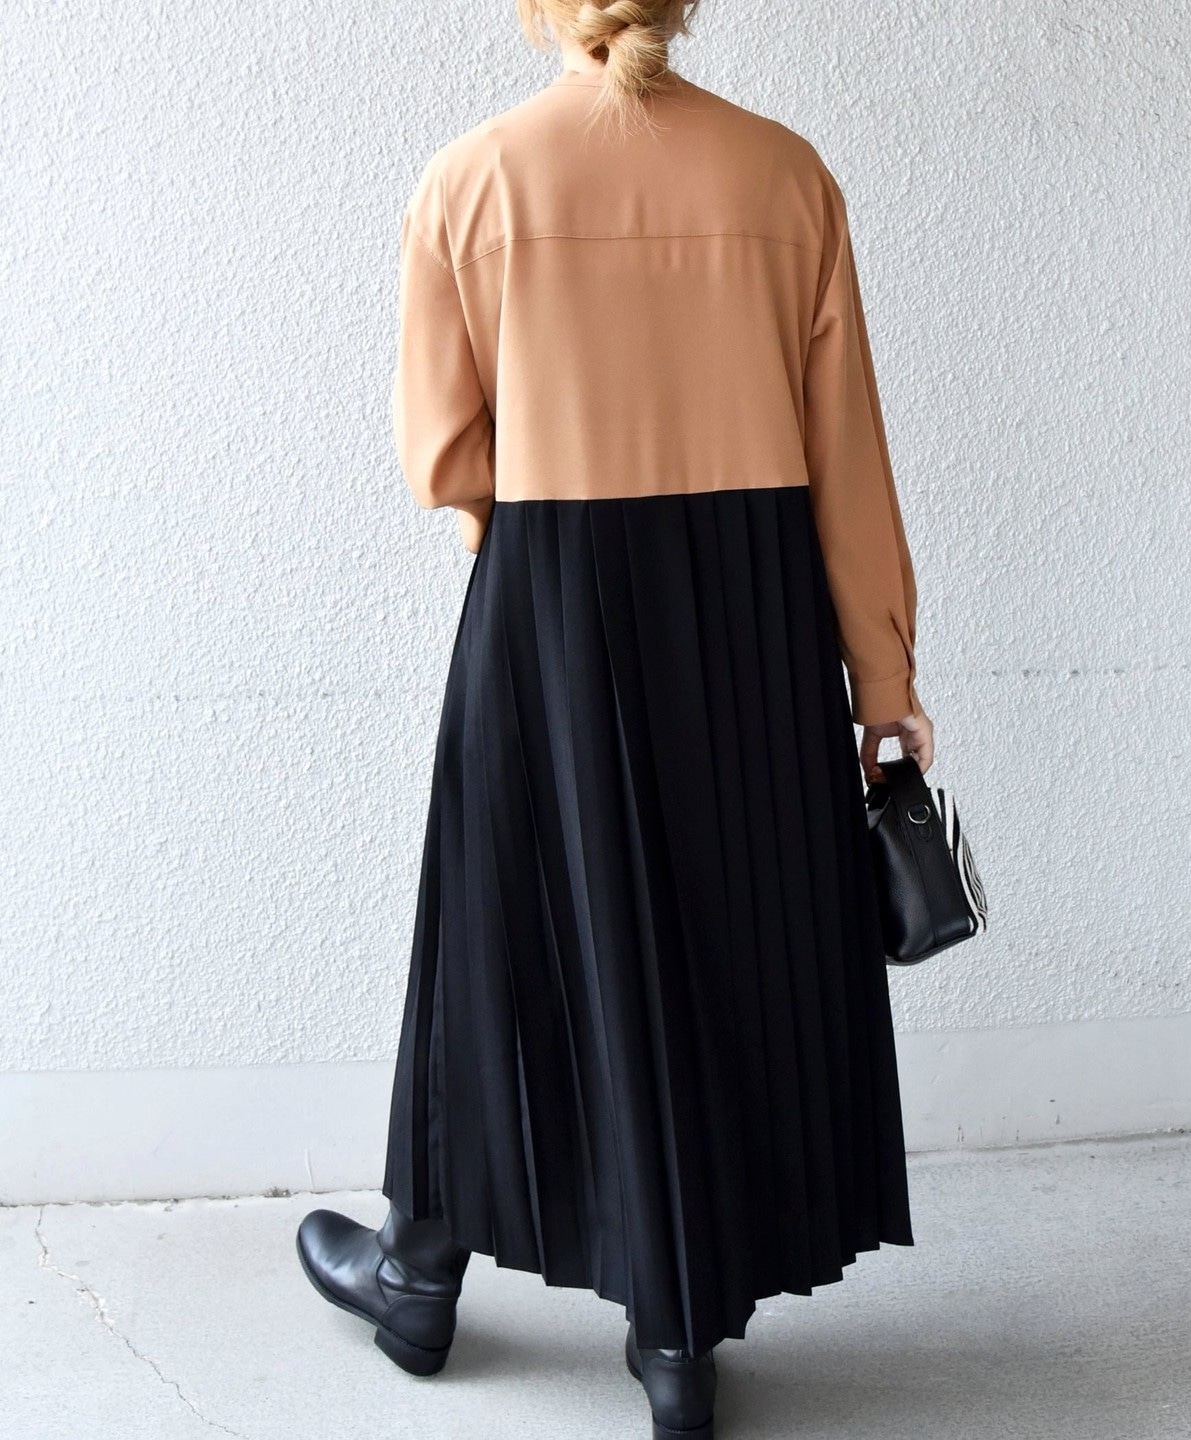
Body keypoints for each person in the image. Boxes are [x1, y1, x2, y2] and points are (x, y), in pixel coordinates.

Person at [296, 4, 934, 1436]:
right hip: (751, 619)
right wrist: (883, 683)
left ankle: (418, 1280)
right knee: (722, 937)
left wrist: (531, 526)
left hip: (552, 605)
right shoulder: (786, 177)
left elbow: (443, 457)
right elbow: (847, 458)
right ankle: (676, 1342)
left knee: (495, 933)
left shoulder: (474, 180)